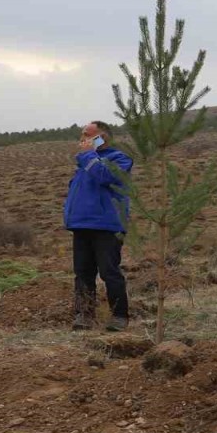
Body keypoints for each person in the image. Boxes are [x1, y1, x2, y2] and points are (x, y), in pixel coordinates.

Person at [64, 121, 134, 331]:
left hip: (107, 225)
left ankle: (119, 316)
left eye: (87, 134)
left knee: (109, 272)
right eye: (82, 135)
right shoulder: (84, 164)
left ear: (102, 137)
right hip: (81, 225)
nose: (82, 139)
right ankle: (84, 315)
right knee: (83, 273)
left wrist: (88, 155)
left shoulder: (120, 159)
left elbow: (106, 176)